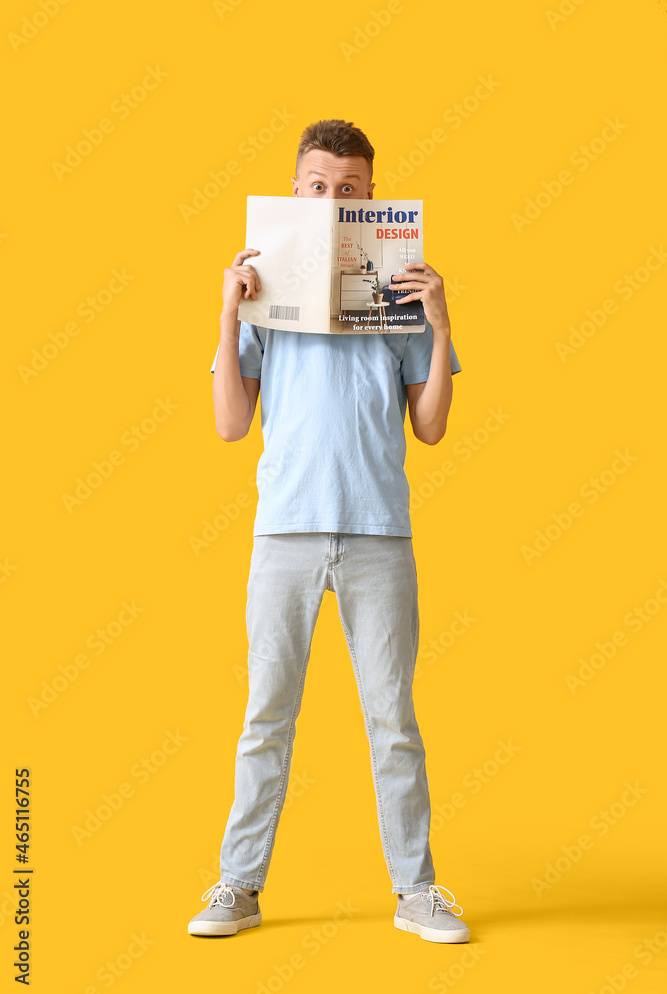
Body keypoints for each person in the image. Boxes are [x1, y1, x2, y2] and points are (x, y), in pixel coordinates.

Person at [188, 120, 470, 944]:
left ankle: (416, 891)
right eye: (315, 186)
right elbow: (231, 426)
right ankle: (237, 885)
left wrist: (442, 324)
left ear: (371, 199)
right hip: (285, 529)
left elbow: (429, 430)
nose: (330, 198)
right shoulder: (263, 296)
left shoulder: (404, 295)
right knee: (265, 717)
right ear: (294, 191)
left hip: (379, 531)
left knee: (392, 720)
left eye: (347, 189)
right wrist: (228, 317)